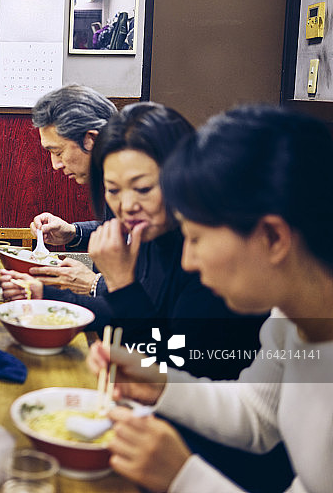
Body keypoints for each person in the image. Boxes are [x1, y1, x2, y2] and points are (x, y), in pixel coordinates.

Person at [88, 105, 329, 493]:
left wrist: (184, 477)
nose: (188, 259)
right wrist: (159, 384)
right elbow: (257, 414)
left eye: (196, 238)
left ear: (273, 237)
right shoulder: (288, 320)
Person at [2, 102, 266, 380]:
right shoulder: (151, 232)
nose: (126, 206)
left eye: (142, 188)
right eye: (113, 190)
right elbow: (141, 316)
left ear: (180, 175)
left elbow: (169, 369)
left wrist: (117, 284)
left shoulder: (207, 256)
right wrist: (47, 294)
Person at [26, 84, 117, 293]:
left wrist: (95, 285)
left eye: (58, 151)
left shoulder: (139, 184)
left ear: (91, 140)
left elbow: (159, 290)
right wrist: (73, 233)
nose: (55, 165)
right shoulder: (114, 175)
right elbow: (122, 232)